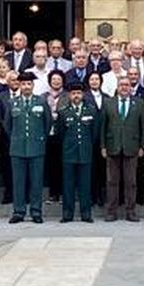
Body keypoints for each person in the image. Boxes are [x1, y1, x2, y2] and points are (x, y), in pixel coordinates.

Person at [6, 71, 51, 224]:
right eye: (23, 84)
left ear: (33, 85)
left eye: (29, 84)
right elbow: (7, 125)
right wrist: (16, 137)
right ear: (19, 85)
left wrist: (40, 138)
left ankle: (36, 211)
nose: (26, 87)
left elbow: (47, 123)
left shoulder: (41, 102)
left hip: (36, 146)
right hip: (17, 147)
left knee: (36, 181)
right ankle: (18, 211)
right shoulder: (13, 103)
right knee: (18, 182)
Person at [102, 76, 144, 223]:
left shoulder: (139, 103)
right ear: (117, 86)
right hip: (112, 146)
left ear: (131, 87)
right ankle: (111, 211)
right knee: (112, 181)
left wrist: (142, 145)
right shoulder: (108, 103)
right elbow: (103, 126)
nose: (124, 87)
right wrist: (103, 146)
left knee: (131, 182)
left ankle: (131, 211)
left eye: (127, 85)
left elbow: (143, 126)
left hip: (132, 147)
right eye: (121, 84)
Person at [54, 83, 101, 223]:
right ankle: (67, 213)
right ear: (69, 95)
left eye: (79, 93)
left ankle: (86, 213)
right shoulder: (63, 112)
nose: (76, 96)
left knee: (85, 185)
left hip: (85, 153)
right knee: (68, 185)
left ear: (83, 95)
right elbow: (60, 134)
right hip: (69, 153)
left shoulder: (91, 111)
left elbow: (95, 133)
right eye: (73, 93)